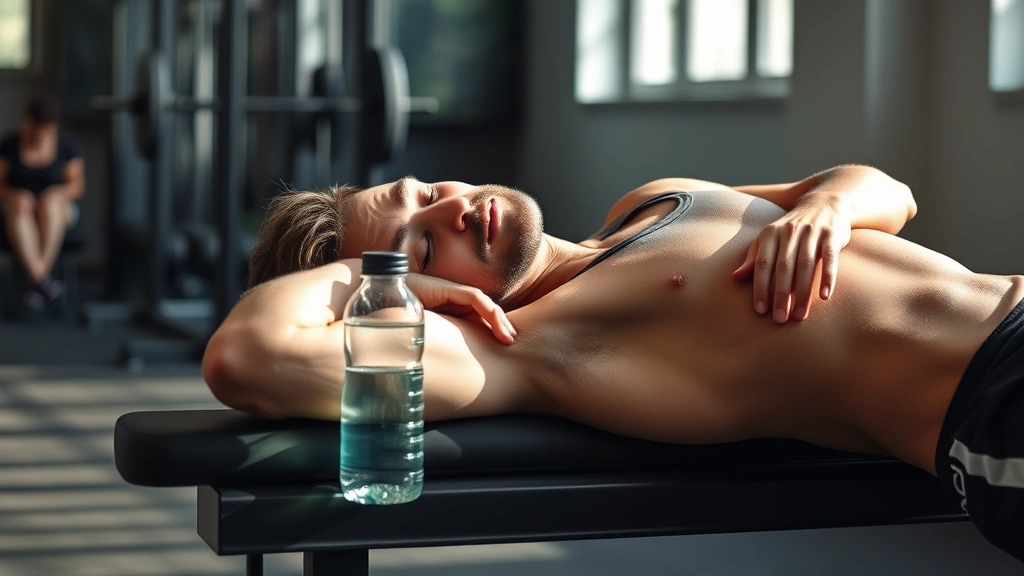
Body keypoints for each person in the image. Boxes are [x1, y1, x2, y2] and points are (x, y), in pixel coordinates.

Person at [202, 164, 1024, 562]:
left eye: (423, 193)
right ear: (413, 287)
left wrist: (828, 208)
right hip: (998, 402)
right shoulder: (532, 348)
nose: (453, 208)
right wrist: (366, 279)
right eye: (422, 244)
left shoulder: (656, 199)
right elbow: (246, 357)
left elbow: (891, 192)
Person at [0, 95, 85, 310]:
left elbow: (77, 186)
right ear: (26, 122)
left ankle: (37, 281)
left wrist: (57, 193)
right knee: (19, 208)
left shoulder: (66, 146)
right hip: (20, 210)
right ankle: (43, 281)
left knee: (49, 204)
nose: (39, 136)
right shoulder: (9, 145)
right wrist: (14, 194)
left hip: (58, 210)